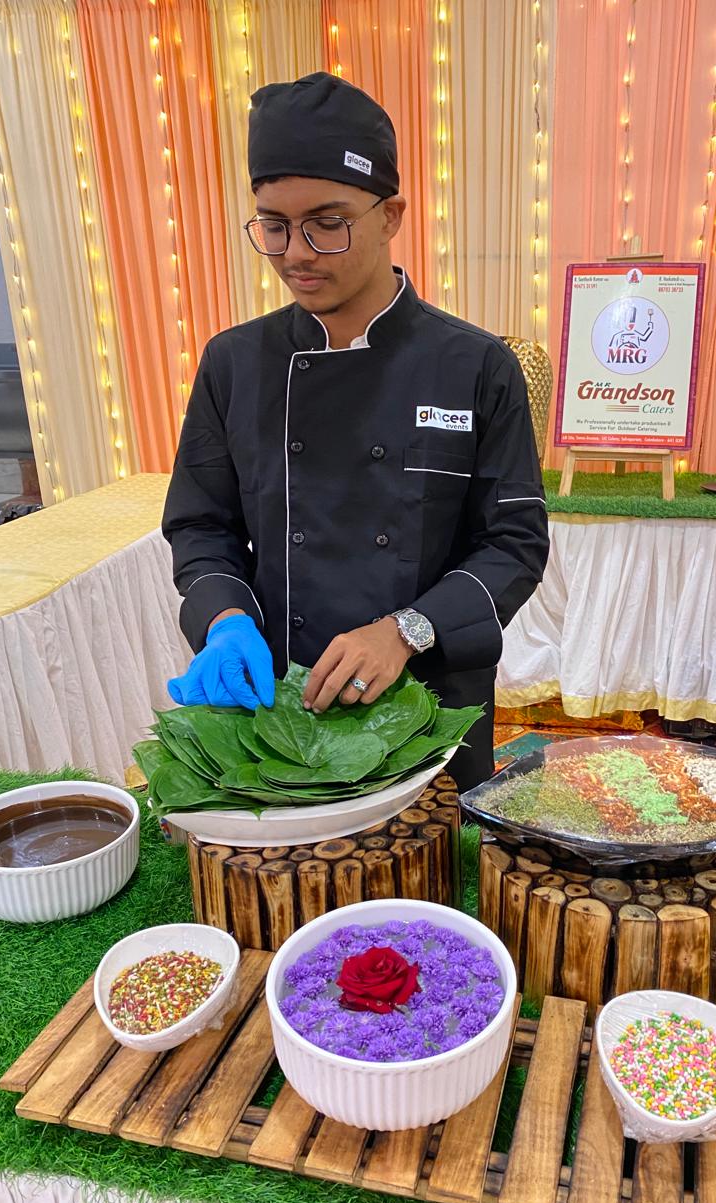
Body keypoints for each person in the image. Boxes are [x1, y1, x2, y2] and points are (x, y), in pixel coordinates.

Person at [162, 72, 549, 791]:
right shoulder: (234, 363)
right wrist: (224, 618)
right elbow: (201, 524)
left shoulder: (473, 365)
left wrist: (406, 630)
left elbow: (514, 544)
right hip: (282, 703)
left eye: (327, 223)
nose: (297, 253)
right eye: (274, 225)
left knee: (434, 861)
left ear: (390, 215)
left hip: (431, 703)